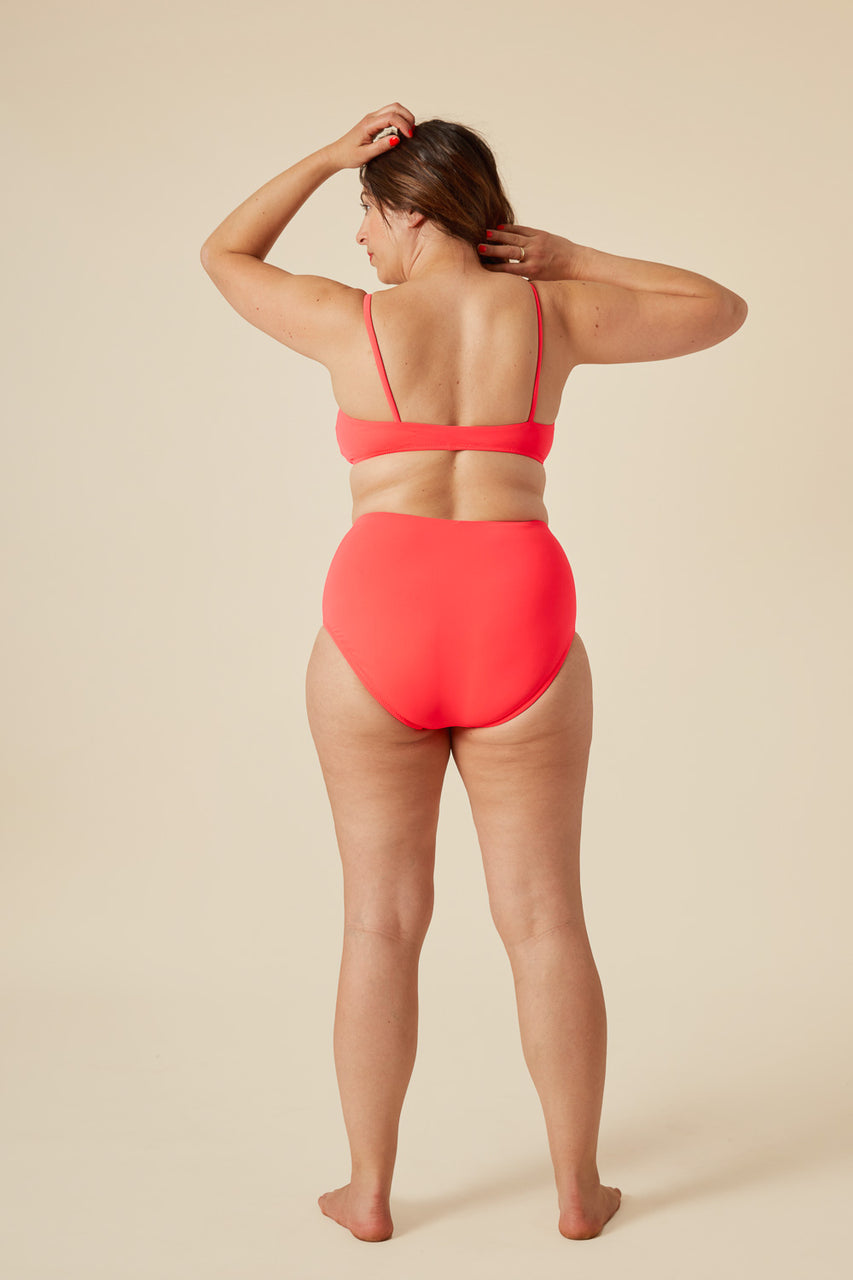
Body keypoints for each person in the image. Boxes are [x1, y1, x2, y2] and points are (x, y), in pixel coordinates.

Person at [200, 102, 748, 1244]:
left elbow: (224, 254)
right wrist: (570, 255)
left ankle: (368, 1192)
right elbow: (717, 307)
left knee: (377, 923)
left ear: (410, 212)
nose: (358, 236)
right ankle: (577, 1191)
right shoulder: (553, 312)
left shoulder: (350, 321)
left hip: (378, 621)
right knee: (545, 920)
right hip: (519, 617)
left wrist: (325, 156)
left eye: (365, 212)